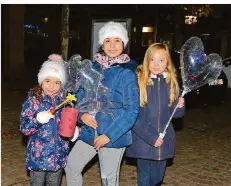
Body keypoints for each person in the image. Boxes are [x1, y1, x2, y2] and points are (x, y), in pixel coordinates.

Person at [65, 21, 140, 186]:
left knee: (108, 180)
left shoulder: (127, 74)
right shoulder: (92, 69)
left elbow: (131, 111)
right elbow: (78, 97)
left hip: (112, 136)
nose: (112, 45)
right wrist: (81, 115)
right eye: (108, 41)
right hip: (89, 132)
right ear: (102, 44)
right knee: (71, 167)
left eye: (117, 40)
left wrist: (109, 135)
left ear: (124, 44)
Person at [126, 43, 185, 186]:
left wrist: (180, 106)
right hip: (143, 140)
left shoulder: (171, 84)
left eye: (161, 60)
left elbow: (175, 115)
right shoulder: (140, 83)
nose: (156, 64)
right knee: (144, 178)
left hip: (164, 142)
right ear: (147, 61)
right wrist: (151, 137)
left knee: (157, 177)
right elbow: (135, 118)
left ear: (167, 63)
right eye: (152, 60)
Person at [20, 54, 70, 186]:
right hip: (39, 157)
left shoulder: (65, 103)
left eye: (57, 82)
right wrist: (38, 119)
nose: (52, 86)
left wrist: (75, 130)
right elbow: (25, 128)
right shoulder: (34, 101)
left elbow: (68, 123)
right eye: (47, 80)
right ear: (41, 80)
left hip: (58, 157)